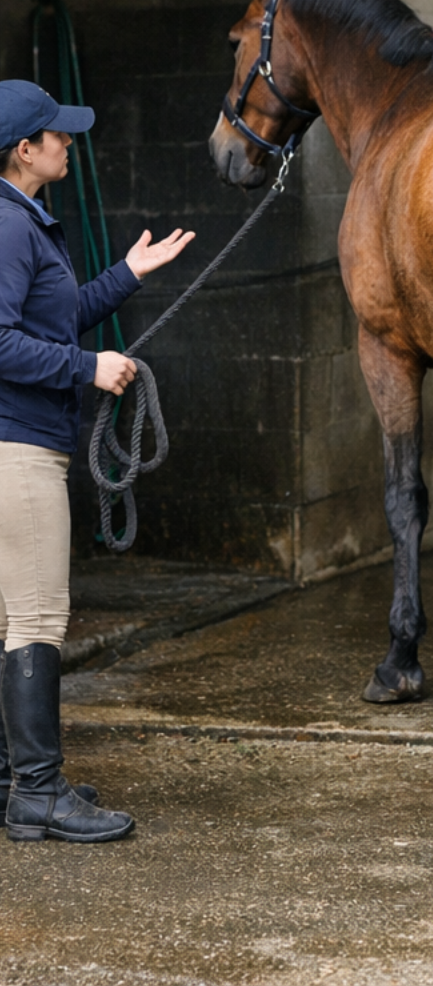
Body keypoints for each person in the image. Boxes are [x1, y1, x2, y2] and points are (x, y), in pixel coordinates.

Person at [0, 80, 194, 843]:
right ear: (25, 149)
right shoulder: (9, 226)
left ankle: (14, 779)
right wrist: (89, 368)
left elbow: (52, 318)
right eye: (57, 134)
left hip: (20, 443)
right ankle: (38, 793)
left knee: (10, 617)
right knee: (37, 617)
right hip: (19, 450)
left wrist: (127, 274)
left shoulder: (23, 219)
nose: (69, 143)